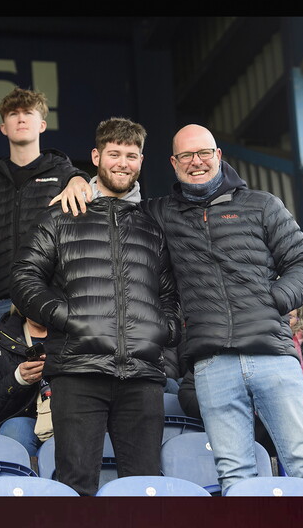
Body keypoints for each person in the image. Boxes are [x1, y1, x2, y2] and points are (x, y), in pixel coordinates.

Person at [139, 124, 303, 494]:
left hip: (273, 355)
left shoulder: (262, 204)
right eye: (186, 155)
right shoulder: (161, 213)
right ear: (173, 163)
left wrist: (271, 302)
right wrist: (79, 182)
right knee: (234, 475)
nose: (196, 162)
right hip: (213, 365)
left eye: (203, 153)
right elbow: (116, 204)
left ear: (218, 155)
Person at [11, 117, 180, 496]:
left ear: (141, 161)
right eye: (114, 154)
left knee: (144, 488)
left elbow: (170, 295)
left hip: (142, 375)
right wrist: (68, 318)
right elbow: (23, 277)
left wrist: (163, 329)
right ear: (96, 156)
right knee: (76, 486)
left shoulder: (152, 225)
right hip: (78, 371)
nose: (123, 163)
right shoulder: (61, 214)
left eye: (132, 156)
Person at [0, 87, 92, 335]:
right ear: (3, 127)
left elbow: (81, 240)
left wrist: (78, 177)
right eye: (13, 114)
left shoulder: (65, 176)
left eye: (28, 113)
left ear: (42, 125)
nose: (21, 119)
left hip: (52, 300)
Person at [177, 299, 303, 456]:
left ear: (299, 317)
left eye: (289, 317)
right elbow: (189, 392)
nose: (281, 322)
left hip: (300, 425)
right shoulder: (227, 343)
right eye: (274, 315)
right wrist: (235, 410)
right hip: (246, 434)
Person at [0, 305, 49, 457]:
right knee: (15, 430)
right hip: (26, 419)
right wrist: (18, 379)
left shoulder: (76, 334)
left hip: (70, 412)